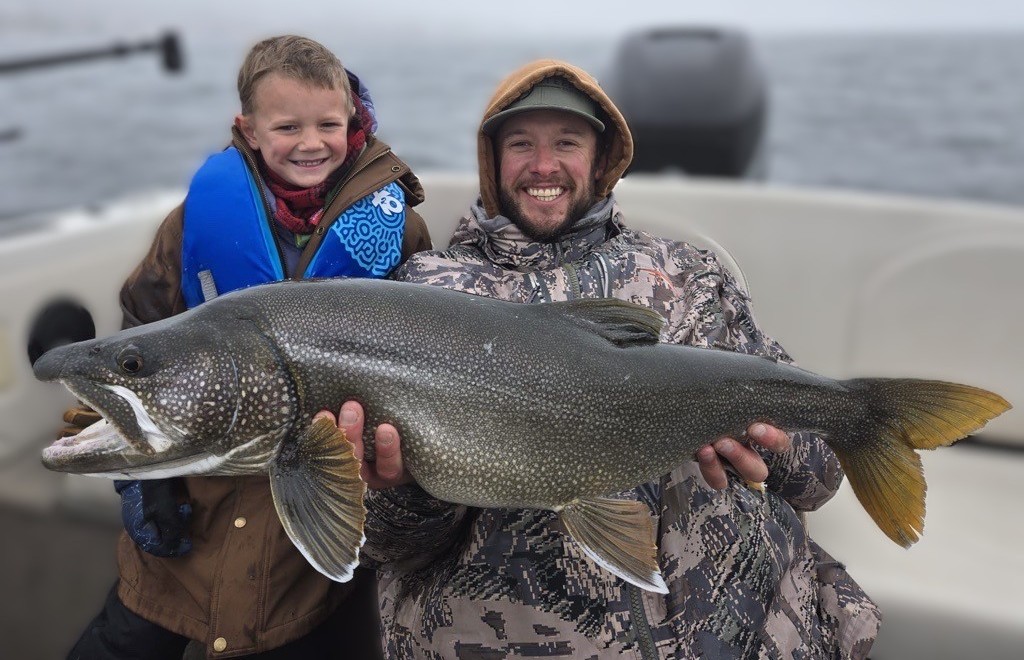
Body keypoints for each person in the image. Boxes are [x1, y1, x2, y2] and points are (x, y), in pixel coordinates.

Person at [321, 60, 881, 658]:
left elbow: (819, 479)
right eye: (520, 144)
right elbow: (391, 548)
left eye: (567, 142)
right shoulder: (427, 295)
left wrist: (773, 446)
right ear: (492, 160)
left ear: (601, 156)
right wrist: (402, 488)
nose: (543, 165)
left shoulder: (689, 275)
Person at [66, 35, 431, 659]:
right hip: (195, 511)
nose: (311, 143)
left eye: (328, 124)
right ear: (249, 129)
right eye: (288, 126)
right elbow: (143, 331)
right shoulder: (195, 221)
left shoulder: (402, 232)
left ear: (354, 122)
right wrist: (141, 480)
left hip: (309, 524)